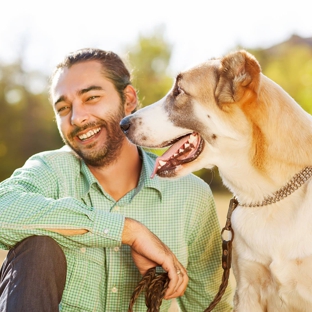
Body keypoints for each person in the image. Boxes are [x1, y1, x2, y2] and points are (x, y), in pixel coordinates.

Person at [0, 48, 232, 312]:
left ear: (129, 99)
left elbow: (211, 306)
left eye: (91, 97)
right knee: (40, 248)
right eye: (63, 108)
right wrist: (129, 231)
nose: (77, 118)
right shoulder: (49, 171)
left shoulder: (190, 196)